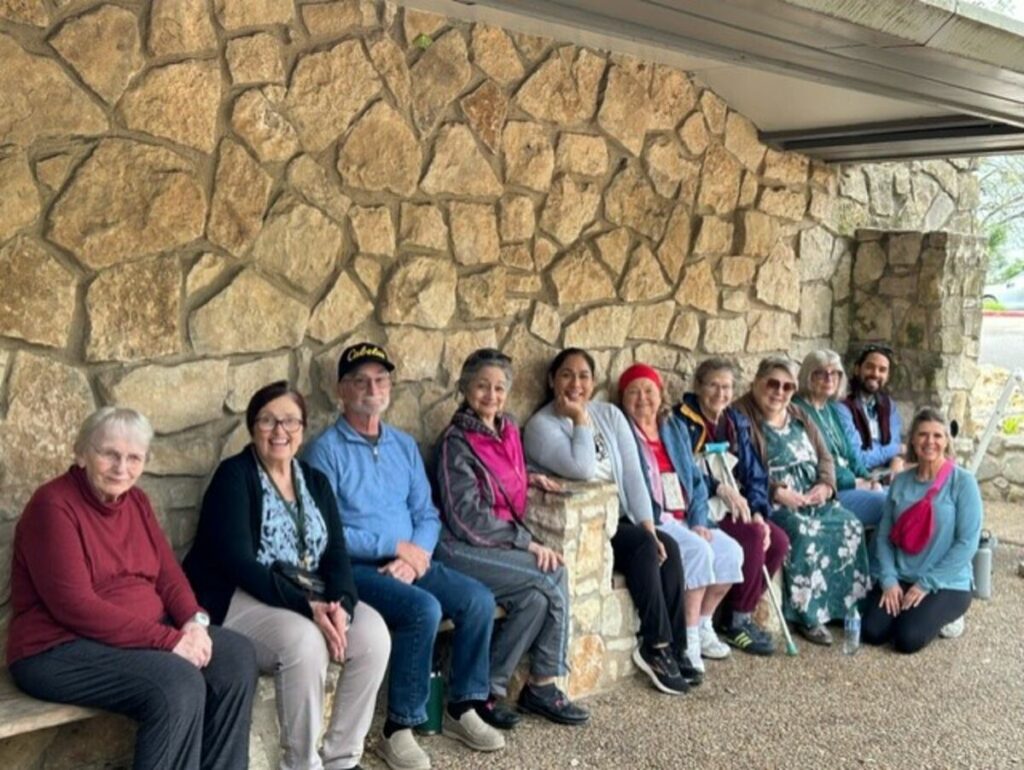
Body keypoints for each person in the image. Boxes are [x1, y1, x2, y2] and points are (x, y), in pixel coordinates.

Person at [7, 407, 257, 770]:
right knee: (176, 683)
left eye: (133, 457)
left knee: (234, 655)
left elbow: (169, 576)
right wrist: (168, 641)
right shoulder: (53, 506)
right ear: (82, 452)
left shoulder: (135, 501)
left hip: (130, 640)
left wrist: (192, 622)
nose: (121, 467)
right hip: (56, 649)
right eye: (109, 454)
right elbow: (74, 606)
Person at [304, 342, 504, 770]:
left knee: (478, 600)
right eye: (360, 381)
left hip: (413, 560)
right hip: (355, 568)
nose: (371, 388)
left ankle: (462, 706)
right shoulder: (325, 452)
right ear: (342, 390)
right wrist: (392, 547)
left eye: (380, 379)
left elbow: (427, 515)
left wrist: (415, 557)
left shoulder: (403, 445)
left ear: (389, 387)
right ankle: (399, 728)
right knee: (422, 610)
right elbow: (327, 532)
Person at [183, 381, 391, 770]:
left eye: (290, 421)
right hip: (240, 595)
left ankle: (342, 759)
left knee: (374, 635)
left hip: (309, 593)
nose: (280, 431)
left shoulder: (314, 481)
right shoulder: (234, 477)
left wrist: (342, 604)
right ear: (252, 428)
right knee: (304, 644)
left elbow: (336, 554)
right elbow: (237, 562)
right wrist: (308, 607)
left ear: (303, 428)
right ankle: (300, 763)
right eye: (267, 420)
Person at [523, 348, 698, 696]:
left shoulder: (611, 415)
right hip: (588, 528)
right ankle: (656, 647)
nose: (576, 384)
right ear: (551, 381)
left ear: (594, 382)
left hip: (622, 519)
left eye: (584, 376)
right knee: (644, 547)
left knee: (669, 547)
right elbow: (583, 468)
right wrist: (579, 419)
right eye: (567, 375)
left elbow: (633, 475)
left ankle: (676, 648)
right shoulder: (541, 426)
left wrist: (649, 526)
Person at [434, 348, 589, 727]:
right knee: (551, 574)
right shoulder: (456, 441)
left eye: (499, 388)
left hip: (498, 544)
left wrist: (530, 476)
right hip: (460, 547)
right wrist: (526, 543)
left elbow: (505, 471)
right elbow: (465, 517)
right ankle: (543, 683)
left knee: (536, 600)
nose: (491, 395)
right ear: (465, 388)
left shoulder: (507, 429)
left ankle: (487, 691)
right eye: (482, 386)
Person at [617, 363, 744, 675]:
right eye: (634, 392)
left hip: (686, 515)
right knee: (700, 552)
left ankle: (703, 624)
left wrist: (699, 520)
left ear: (661, 395)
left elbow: (696, 482)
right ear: (623, 399)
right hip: (655, 517)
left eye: (649, 391)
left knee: (731, 551)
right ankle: (686, 642)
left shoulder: (671, 428)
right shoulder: (625, 433)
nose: (643, 398)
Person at [735, 356, 870, 646]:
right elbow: (741, 468)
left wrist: (826, 485)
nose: (779, 392)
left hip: (812, 495)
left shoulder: (798, 413)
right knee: (804, 532)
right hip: (775, 500)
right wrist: (775, 491)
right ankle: (808, 616)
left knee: (851, 524)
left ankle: (843, 608)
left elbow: (825, 456)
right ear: (757, 382)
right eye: (773, 384)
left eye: (787, 386)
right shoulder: (742, 415)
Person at [674, 357, 788, 656]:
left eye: (726, 387)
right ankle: (737, 620)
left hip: (735, 505)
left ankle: (741, 611)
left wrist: (760, 512)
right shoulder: (682, 420)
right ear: (698, 386)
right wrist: (718, 488)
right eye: (713, 385)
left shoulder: (735, 422)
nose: (720, 393)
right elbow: (685, 470)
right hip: (702, 507)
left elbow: (754, 473)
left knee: (776, 540)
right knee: (750, 538)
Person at [862, 407, 982, 653]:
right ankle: (915, 610)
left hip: (946, 582)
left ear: (946, 441)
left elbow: (968, 542)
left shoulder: (963, 482)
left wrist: (927, 583)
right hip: (903, 576)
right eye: (923, 434)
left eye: (937, 435)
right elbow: (884, 536)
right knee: (872, 632)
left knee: (907, 639)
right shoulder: (901, 482)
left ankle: (948, 618)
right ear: (913, 440)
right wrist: (888, 579)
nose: (930, 442)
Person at [793, 350, 887, 528]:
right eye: (821, 373)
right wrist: (855, 482)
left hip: (852, 483)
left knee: (901, 498)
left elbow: (851, 454)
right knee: (887, 505)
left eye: (835, 373)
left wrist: (868, 478)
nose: (830, 379)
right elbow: (814, 461)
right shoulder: (798, 410)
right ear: (808, 376)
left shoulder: (830, 408)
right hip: (829, 490)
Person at [836, 343, 905, 481]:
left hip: (886, 474)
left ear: (888, 376)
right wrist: (897, 449)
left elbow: (896, 445)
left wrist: (897, 459)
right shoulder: (843, 407)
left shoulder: (889, 406)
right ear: (857, 369)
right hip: (858, 478)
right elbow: (859, 459)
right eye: (870, 367)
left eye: (882, 370)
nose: (875, 374)